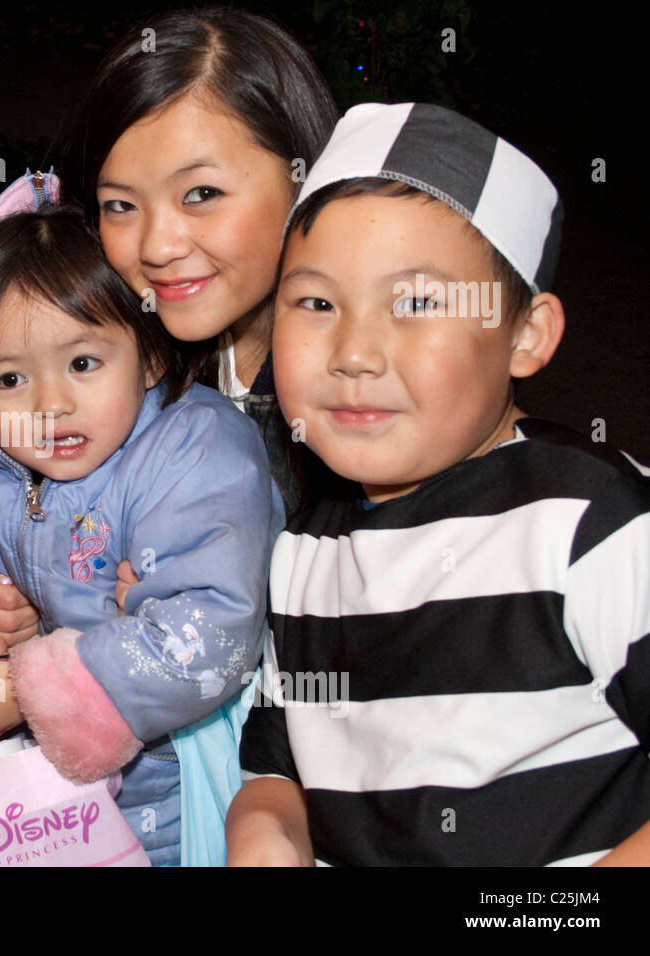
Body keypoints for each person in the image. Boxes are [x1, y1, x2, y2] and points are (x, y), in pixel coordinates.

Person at [227, 102, 650, 866]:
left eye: (417, 303)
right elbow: (277, 772)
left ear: (526, 334)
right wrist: (263, 833)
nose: (355, 352)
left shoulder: (594, 526)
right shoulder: (302, 555)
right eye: (317, 303)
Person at [0, 203, 284, 865]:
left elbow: (209, 631)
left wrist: (22, 694)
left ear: (150, 355)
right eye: (11, 379)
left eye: (83, 363)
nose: (52, 405)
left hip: (174, 806)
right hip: (19, 818)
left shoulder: (194, 449)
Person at [60, 6, 340, 518]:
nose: (157, 247)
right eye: (120, 205)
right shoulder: (99, 344)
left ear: (303, 179)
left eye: (202, 193)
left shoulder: (368, 385)